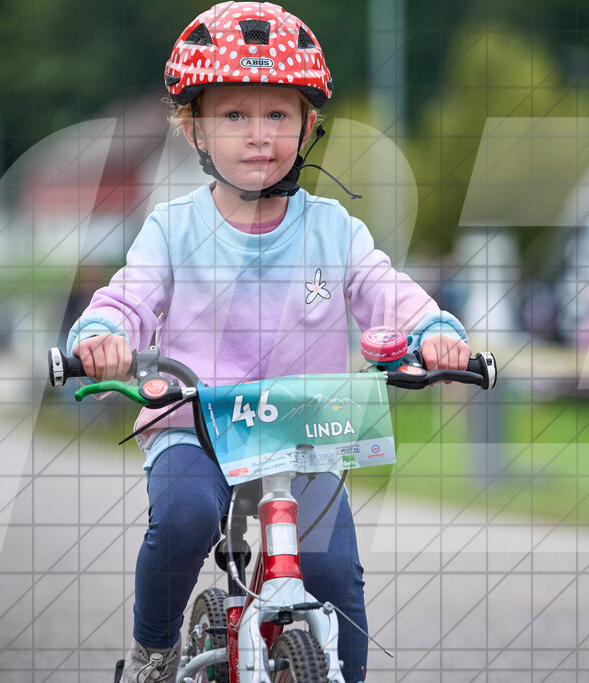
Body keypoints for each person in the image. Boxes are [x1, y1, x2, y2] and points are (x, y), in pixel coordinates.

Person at [66, 3, 471, 682]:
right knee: (186, 515)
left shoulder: (332, 231)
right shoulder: (173, 229)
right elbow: (127, 298)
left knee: (335, 572)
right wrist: (102, 335)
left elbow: (384, 288)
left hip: (305, 429)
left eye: (278, 115)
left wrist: (433, 331)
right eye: (234, 116)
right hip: (195, 422)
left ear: (309, 125)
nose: (259, 135)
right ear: (194, 126)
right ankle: (155, 650)